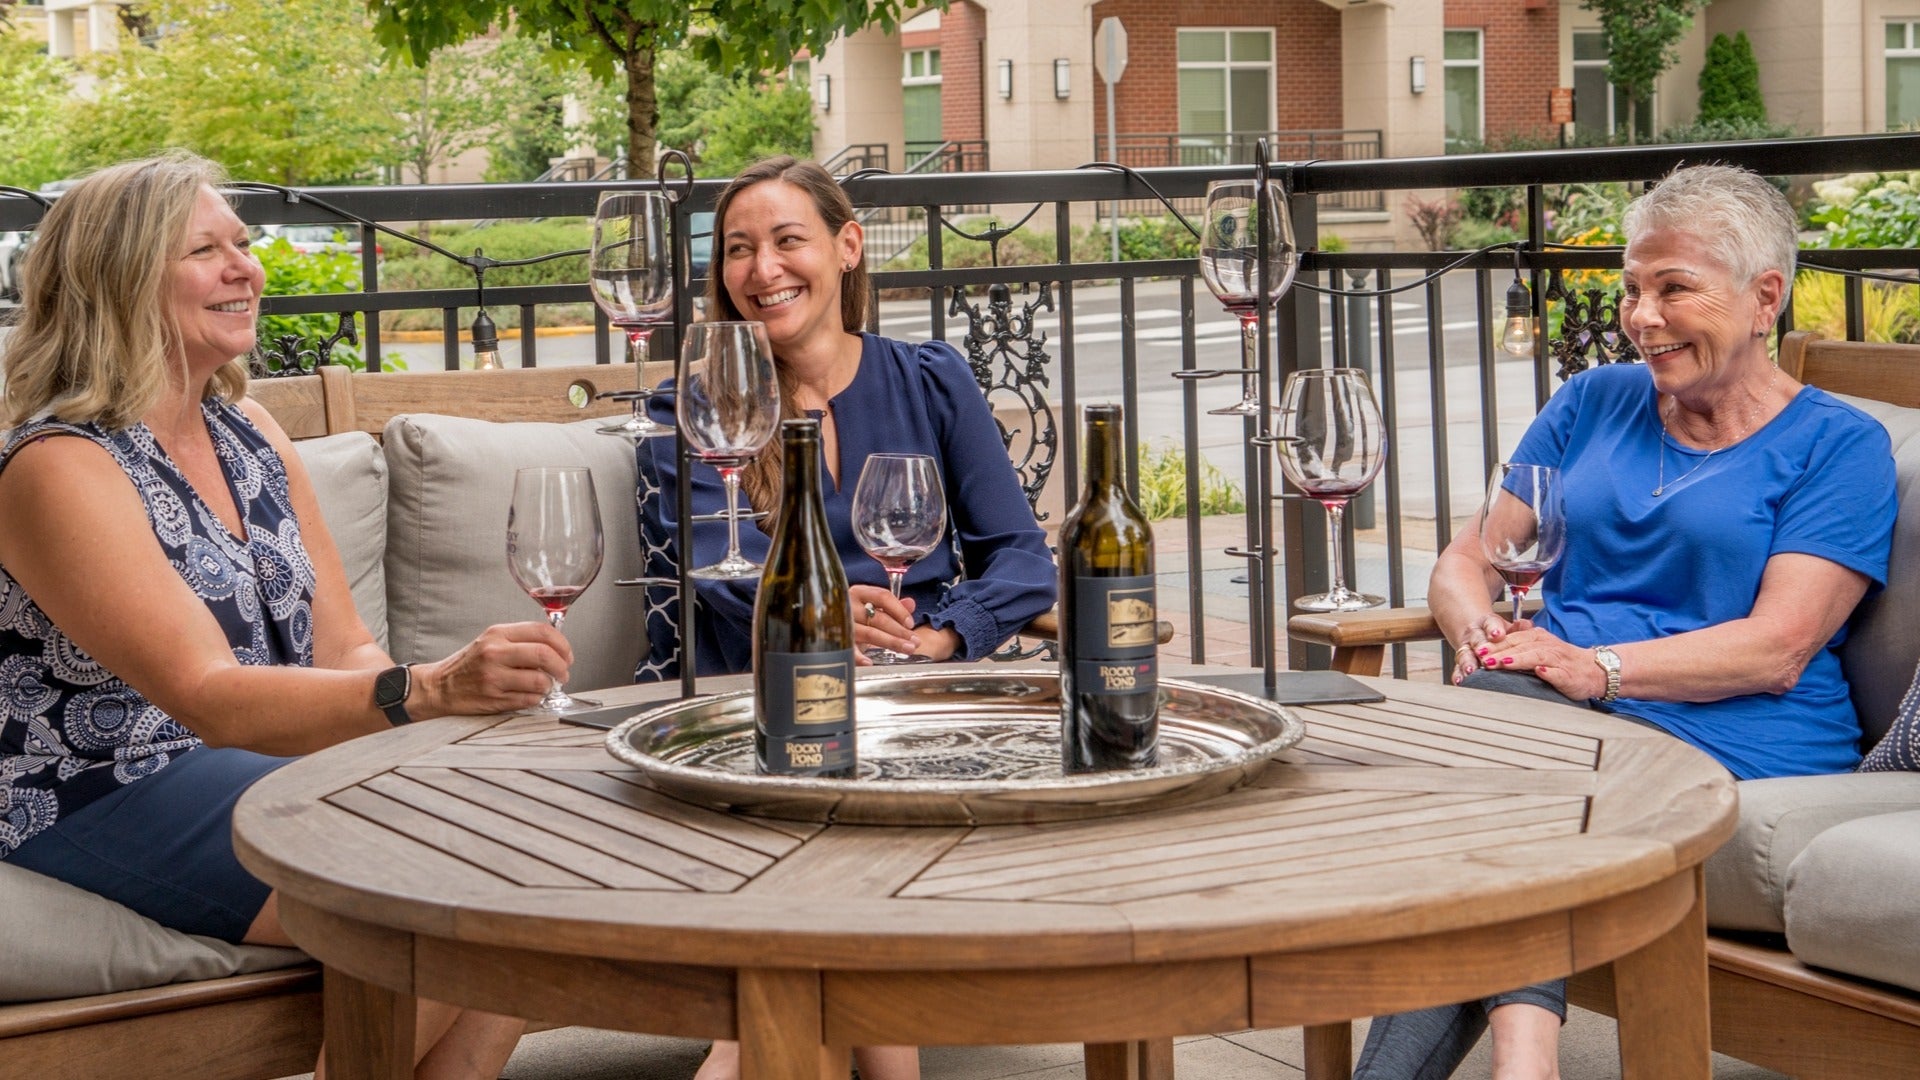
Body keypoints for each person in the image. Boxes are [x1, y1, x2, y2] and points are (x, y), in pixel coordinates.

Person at [0, 152, 570, 1080]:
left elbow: (343, 644)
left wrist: (445, 740)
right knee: (463, 886)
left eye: (244, 244)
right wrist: (427, 692)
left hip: (248, 765)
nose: (245, 268)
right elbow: (208, 697)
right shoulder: (60, 466)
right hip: (101, 784)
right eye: (205, 251)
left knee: (531, 840)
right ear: (119, 279)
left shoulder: (252, 433)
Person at [1355, 164, 1898, 1080]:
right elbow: (1469, 560)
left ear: (1765, 296)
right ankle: (1526, 1063)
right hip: (1549, 714)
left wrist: (1592, 667)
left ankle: (1519, 1061)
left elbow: (1777, 649)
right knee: (1505, 739)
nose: (1641, 317)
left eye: (1674, 288)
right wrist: (1478, 633)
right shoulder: (1592, 402)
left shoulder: (1837, 447)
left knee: (1491, 753)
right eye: (1632, 289)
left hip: (1736, 736)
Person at [642, 155, 1057, 678]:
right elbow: (726, 575)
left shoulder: (931, 381)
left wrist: (945, 635)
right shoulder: (693, 407)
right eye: (739, 250)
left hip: (914, 681)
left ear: (849, 247)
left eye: (788, 240)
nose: (764, 269)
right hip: (765, 689)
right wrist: (825, 616)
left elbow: (1020, 556)